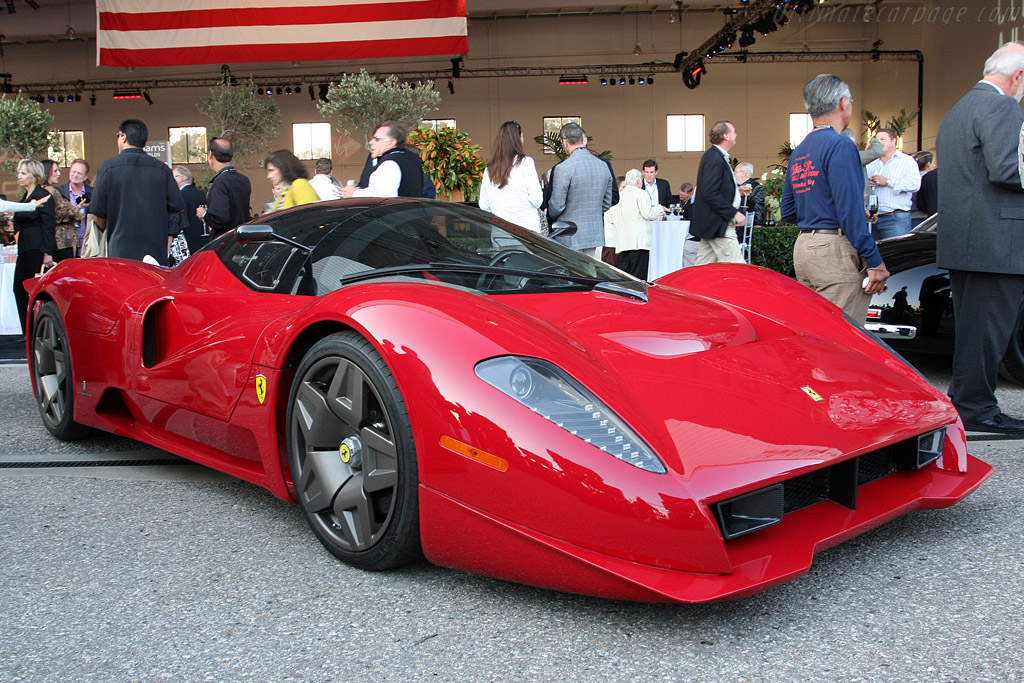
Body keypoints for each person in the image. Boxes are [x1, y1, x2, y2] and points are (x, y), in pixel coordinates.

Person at [936, 41, 1024, 433]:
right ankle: (976, 408)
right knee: (988, 331)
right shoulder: (1003, 106)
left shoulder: (960, 108)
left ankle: (969, 402)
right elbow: (1007, 170)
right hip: (996, 239)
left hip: (964, 238)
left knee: (975, 330)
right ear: (1017, 76)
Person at [781, 74, 889, 321]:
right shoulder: (840, 145)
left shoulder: (800, 151)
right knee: (842, 339)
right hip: (833, 251)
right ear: (843, 103)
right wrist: (874, 262)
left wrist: (822, 211)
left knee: (816, 331)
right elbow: (850, 212)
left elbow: (788, 211)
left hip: (805, 248)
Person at [89, 119, 185, 266]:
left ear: (123, 136)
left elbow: (98, 212)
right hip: (155, 250)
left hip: (121, 250)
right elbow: (176, 205)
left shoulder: (108, 168)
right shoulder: (161, 169)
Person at [546, 122, 613, 257]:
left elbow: (557, 206)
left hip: (568, 234)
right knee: (590, 275)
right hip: (594, 232)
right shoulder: (603, 166)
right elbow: (606, 203)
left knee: (571, 276)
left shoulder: (563, 168)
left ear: (564, 142)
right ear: (584, 139)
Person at [690, 120, 746, 265]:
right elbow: (710, 192)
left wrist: (735, 191)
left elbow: (711, 188)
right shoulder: (715, 158)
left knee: (702, 269)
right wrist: (734, 213)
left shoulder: (714, 156)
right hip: (719, 224)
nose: (736, 134)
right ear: (726, 136)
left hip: (712, 225)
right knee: (738, 267)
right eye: (733, 131)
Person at [10, 159, 55, 336]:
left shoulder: (42, 194)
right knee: (19, 288)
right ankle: (27, 330)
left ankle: (34, 330)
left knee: (29, 289)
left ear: (34, 175)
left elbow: (48, 225)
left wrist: (47, 252)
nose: (19, 176)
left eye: (23, 173)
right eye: (19, 173)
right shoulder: (26, 197)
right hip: (25, 247)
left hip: (36, 247)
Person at [478, 121, 543, 232]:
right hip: (527, 232)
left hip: (500, 231)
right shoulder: (525, 162)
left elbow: (484, 205)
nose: (523, 139)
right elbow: (536, 200)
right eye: (522, 136)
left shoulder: (490, 168)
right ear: (517, 139)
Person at [603, 168, 664, 279]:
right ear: (638, 182)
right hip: (638, 242)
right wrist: (660, 209)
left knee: (626, 274)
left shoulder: (619, 195)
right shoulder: (641, 193)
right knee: (639, 275)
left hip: (622, 242)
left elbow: (611, 217)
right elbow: (648, 214)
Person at [342, 121, 424, 198]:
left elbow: (383, 195)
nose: (371, 142)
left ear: (391, 142)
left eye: (377, 139)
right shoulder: (409, 157)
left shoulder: (390, 163)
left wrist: (354, 193)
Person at [866, 128, 921, 240]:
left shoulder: (906, 161)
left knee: (895, 254)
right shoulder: (870, 163)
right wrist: (868, 183)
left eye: (883, 139)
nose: (879, 142)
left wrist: (888, 182)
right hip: (873, 219)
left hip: (895, 218)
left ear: (893, 141)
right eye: (876, 140)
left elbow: (915, 184)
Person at [197, 137, 251, 237]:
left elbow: (220, 219)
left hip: (225, 242)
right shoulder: (244, 180)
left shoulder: (220, 183)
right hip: (242, 238)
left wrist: (204, 214)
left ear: (210, 155)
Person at [40, 160, 79, 262]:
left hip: (56, 242)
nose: (59, 174)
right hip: (63, 242)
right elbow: (58, 214)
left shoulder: (42, 190)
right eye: (55, 171)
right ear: (47, 172)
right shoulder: (52, 191)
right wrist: (76, 209)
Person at [172, 165, 209, 253]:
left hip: (187, 240)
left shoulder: (180, 196)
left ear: (180, 178)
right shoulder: (200, 193)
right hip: (203, 238)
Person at [57, 158, 92, 251]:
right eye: (73, 172)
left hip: (88, 240)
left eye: (79, 173)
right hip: (67, 242)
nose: (75, 175)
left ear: (85, 177)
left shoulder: (93, 192)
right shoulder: (59, 192)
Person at [734, 162, 765, 227]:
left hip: (747, 223)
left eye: (736, 172)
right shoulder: (735, 186)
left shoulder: (756, 187)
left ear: (744, 173)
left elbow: (758, 206)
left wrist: (757, 224)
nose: (734, 174)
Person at [913, 150, 938, 223]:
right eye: (933, 163)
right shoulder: (929, 178)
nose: (934, 165)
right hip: (923, 216)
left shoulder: (910, 177)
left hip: (910, 214)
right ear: (928, 164)